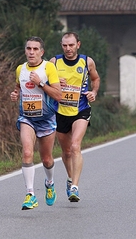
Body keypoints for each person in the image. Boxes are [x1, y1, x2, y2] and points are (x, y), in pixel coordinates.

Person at [10, 36, 62, 210]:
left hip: (46, 119)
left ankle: (49, 183)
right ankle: (30, 194)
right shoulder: (20, 69)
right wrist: (15, 94)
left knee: (46, 159)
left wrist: (40, 83)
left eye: (35, 49)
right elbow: (18, 86)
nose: (31, 52)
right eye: (28, 49)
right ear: (25, 50)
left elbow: (58, 95)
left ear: (42, 52)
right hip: (27, 118)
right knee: (27, 152)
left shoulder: (48, 67)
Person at [49, 32, 100, 202]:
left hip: (81, 109)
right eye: (65, 45)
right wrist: (55, 83)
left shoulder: (87, 61)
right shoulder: (54, 62)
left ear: (78, 44)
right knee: (66, 151)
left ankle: (75, 188)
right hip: (60, 111)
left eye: (71, 45)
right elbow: (43, 82)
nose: (68, 49)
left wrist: (93, 92)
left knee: (75, 145)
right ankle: (70, 178)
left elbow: (96, 78)